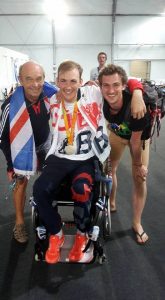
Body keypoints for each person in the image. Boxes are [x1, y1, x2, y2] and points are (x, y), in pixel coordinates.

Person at [0, 61, 57, 243]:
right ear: (20, 80)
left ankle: (48, 214)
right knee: (21, 183)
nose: (35, 84)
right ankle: (19, 222)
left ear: (44, 79)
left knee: (52, 180)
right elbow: (2, 139)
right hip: (22, 148)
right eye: (29, 79)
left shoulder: (50, 94)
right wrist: (11, 165)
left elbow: (75, 92)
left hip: (44, 144)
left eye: (39, 79)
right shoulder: (10, 106)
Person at [98, 64, 150, 244]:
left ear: (123, 85)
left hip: (139, 138)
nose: (111, 90)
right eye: (106, 85)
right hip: (117, 134)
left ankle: (136, 223)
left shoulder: (136, 108)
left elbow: (135, 142)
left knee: (139, 177)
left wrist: (138, 165)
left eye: (115, 85)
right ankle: (111, 202)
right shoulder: (100, 96)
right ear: (101, 86)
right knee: (109, 169)